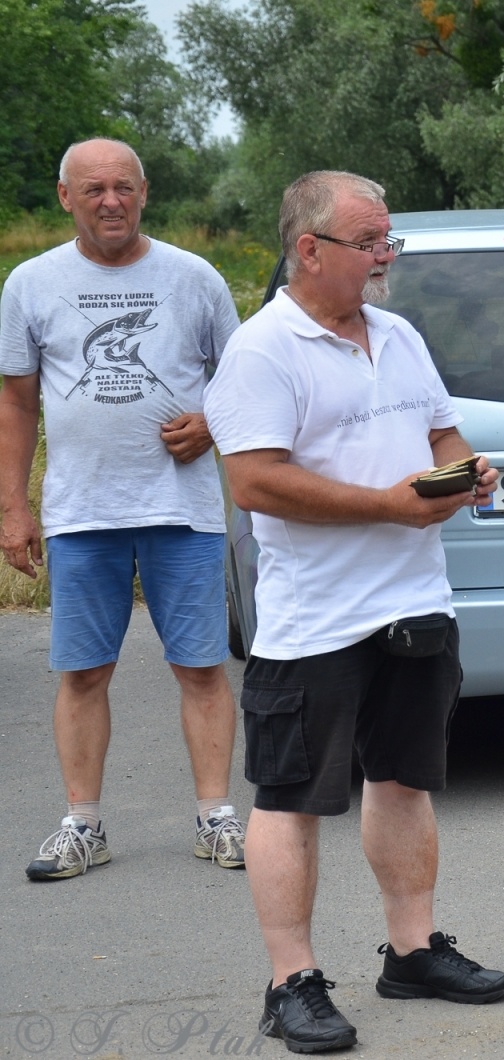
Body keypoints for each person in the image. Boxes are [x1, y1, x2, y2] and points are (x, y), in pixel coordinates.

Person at [204, 171, 504, 1054]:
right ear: (309, 250)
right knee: (291, 797)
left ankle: (412, 953)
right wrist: (386, 503)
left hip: (415, 601)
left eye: (389, 241)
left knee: (405, 780)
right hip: (314, 619)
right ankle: (290, 981)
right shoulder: (264, 350)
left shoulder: (400, 335)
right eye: (371, 242)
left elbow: (440, 435)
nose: (387, 257)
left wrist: (468, 474)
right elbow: (255, 481)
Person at [0, 138, 245, 881]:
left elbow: (243, 378)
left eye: (124, 187)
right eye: (94, 188)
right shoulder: (31, 282)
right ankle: (83, 825)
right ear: (65, 196)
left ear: (145, 192)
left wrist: (210, 423)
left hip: (185, 510)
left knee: (201, 667)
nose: (111, 201)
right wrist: (13, 506)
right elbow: (14, 400)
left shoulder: (194, 277)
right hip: (82, 511)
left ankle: (217, 818)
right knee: (82, 673)